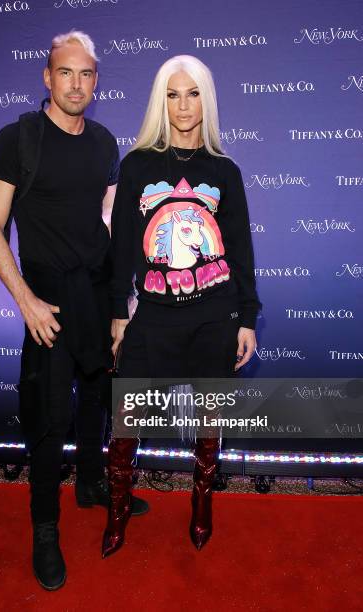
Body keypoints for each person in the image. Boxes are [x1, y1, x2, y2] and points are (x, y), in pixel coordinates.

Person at [0, 30, 148, 591]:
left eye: (87, 74)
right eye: (66, 73)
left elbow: (107, 217)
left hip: (98, 291)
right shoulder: (18, 138)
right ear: (48, 78)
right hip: (47, 297)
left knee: (100, 392)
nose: (77, 84)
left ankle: (93, 485)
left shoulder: (104, 142)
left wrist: (121, 302)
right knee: (50, 419)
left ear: (96, 81)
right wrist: (25, 299)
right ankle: (45, 531)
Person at [102, 55, 262, 558]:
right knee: (126, 423)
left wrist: (247, 318)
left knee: (209, 425)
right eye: (172, 95)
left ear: (206, 99)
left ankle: (201, 502)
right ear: (160, 101)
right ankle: (118, 508)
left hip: (215, 316)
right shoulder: (137, 165)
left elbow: (239, 249)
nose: (183, 105)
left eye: (192, 93)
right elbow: (122, 249)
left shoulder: (225, 171)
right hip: (152, 317)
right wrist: (118, 313)